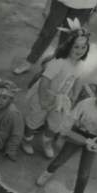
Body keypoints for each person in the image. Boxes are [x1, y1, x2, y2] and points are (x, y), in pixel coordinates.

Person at [20, 30, 90, 158]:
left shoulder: (80, 64)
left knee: (55, 123)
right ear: (69, 46)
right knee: (35, 120)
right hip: (45, 94)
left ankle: (47, 143)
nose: (80, 50)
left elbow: (78, 79)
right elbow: (45, 81)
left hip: (61, 99)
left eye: (83, 47)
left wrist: (74, 95)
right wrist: (43, 99)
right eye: (76, 46)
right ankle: (26, 140)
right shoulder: (59, 62)